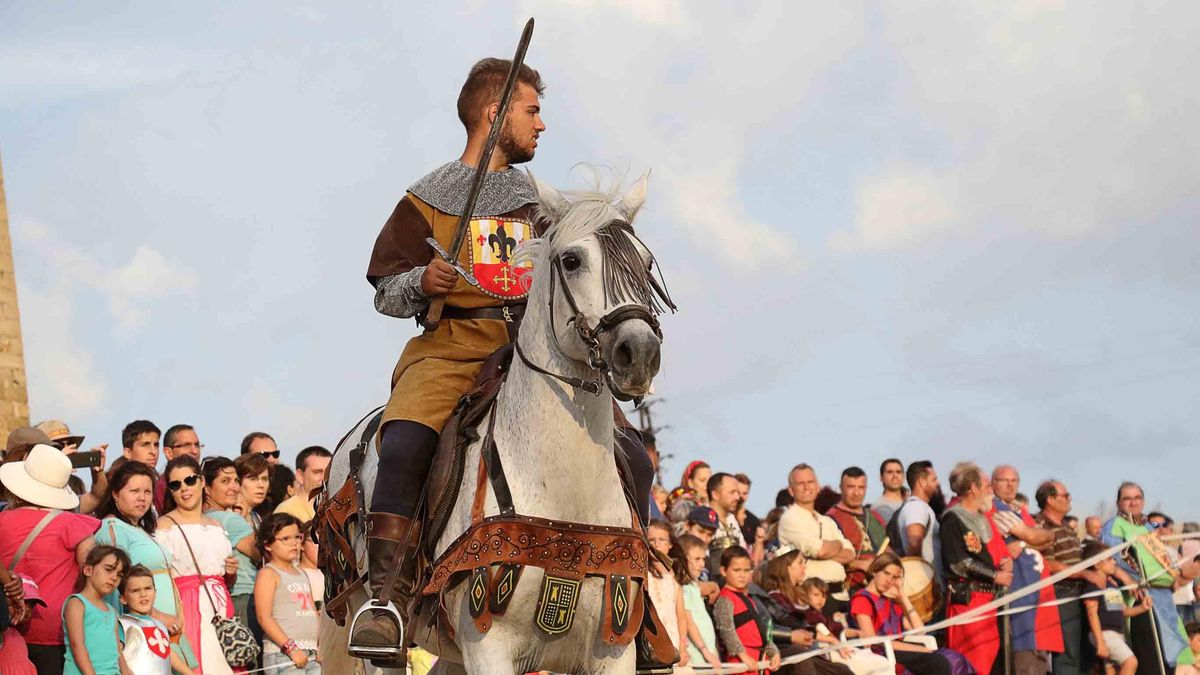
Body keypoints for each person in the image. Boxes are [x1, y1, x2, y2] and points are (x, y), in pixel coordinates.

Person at [351, 56, 655, 660]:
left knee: (634, 457)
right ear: (495, 114)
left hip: (529, 353)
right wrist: (423, 282)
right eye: (531, 111)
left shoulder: (541, 204)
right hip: (448, 351)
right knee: (406, 444)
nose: (541, 125)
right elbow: (384, 289)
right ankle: (385, 597)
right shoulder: (426, 199)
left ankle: (634, 608)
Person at [0, 444, 99, 674]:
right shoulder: (73, 524)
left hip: (9, 623)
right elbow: (92, 569)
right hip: (55, 630)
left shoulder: (2, 520)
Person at [92, 461, 197, 671]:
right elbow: (114, 585)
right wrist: (156, 615)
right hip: (141, 631)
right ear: (115, 494)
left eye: (148, 491)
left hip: (163, 629)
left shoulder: (138, 528)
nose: (142, 498)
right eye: (134, 491)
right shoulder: (113, 528)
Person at [1101, 481, 1200, 670]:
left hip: (1164, 597)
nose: (1133, 502)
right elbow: (1110, 562)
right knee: (1151, 658)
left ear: (1143, 501)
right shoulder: (1114, 526)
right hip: (1140, 599)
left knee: (1171, 658)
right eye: (1127, 498)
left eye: (1137, 498)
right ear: (1118, 503)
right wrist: (1132, 583)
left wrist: (1179, 576)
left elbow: (1160, 559)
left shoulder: (1147, 527)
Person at [157, 456, 239, 675]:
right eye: (176, 484)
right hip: (187, 606)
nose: (184, 488)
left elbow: (225, 579)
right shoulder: (165, 525)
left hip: (220, 606)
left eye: (190, 480)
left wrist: (231, 573)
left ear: (202, 482)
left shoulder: (216, 525)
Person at [940, 462, 1013, 675]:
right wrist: (995, 575)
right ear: (972, 488)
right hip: (968, 599)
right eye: (986, 486)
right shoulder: (953, 518)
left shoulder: (982, 518)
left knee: (988, 659)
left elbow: (985, 554)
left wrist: (1002, 563)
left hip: (988, 599)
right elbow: (958, 562)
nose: (990, 490)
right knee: (970, 661)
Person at [849, 552, 973, 675]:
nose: (889, 580)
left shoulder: (889, 602)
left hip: (901, 649)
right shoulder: (863, 599)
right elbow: (872, 640)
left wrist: (903, 598)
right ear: (874, 571)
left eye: (894, 577)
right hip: (883, 653)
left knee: (954, 658)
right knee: (940, 662)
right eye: (886, 573)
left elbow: (920, 631)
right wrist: (920, 649)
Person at [1034, 479, 1092, 675]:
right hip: (1060, 593)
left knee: (1081, 652)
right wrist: (1085, 573)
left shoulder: (1067, 527)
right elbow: (1048, 564)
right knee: (1067, 654)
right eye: (1065, 496)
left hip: (1077, 593)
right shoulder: (1041, 525)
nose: (1070, 499)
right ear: (1050, 499)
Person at [780, 464, 854, 610]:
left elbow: (850, 553)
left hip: (840, 594)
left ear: (818, 486)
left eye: (811, 482)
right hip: (811, 598)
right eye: (801, 483)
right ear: (791, 490)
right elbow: (819, 551)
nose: (807, 487)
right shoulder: (790, 518)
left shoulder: (827, 521)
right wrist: (837, 545)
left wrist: (829, 548)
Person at [208, 454, 268, 633]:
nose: (234, 487)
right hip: (244, 596)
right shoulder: (229, 519)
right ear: (206, 486)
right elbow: (264, 552)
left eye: (236, 481)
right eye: (225, 481)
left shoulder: (209, 518)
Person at [255, 514, 320, 675]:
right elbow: (264, 617)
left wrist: (321, 644)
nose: (294, 543)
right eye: (285, 538)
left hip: (312, 652)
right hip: (284, 655)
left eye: (297, 537)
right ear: (268, 544)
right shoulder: (268, 574)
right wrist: (290, 649)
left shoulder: (301, 573)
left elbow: (312, 611)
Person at [1081, 540, 1152, 675]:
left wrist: (1142, 608)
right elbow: (1092, 613)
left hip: (1116, 634)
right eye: (1109, 559)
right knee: (1131, 662)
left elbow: (1123, 611)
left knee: (1113, 671)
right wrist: (1100, 641)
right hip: (1104, 634)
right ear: (1097, 564)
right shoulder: (1093, 584)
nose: (1114, 562)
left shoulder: (1111, 585)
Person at [799, 578, 893, 675]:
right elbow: (817, 633)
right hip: (824, 654)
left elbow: (838, 629)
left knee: (880, 661)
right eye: (816, 595)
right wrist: (835, 642)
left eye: (824, 595)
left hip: (838, 648)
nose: (821, 599)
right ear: (805, 595)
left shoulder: (822, 615)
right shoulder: (804, 615)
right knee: (878, 664)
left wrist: (857, 632)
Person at [63, 545, 131, 675]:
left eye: (119, 575)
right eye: (108, 570)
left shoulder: (111, 610)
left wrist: (126, 671)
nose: (114, 577)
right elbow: (77, 645)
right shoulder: (77, 603)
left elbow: (117, 648)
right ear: (88, 570)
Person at [713, 546, 781, 672]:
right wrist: (743, 655)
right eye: (737, 570)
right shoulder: (725, 599)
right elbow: (727, 630)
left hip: (760, 661)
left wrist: (773, 652)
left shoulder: (749, 599)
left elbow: (763, 630)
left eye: (746, 570)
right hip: (741, 663)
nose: (742, 575)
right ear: (723, 571)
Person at [826, 467, 886, 595]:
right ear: (841, 488)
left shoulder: (876, 517)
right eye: (851, 487)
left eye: (861, 487)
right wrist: (860, 565)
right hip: (850, 591)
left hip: (882, 588)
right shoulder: (829, 519)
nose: (856, 493)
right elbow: (826, 558)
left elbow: (887, 549)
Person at [119, 564, 187, 675]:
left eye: (147, 588)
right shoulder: (123, 624)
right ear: (123, 598)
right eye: (135, 590)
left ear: (155, 593)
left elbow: (167, 653)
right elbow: (116, 654)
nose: (143, 594)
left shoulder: (160, 625)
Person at [34, 420, 110, 515]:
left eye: (70, 443)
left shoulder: (71, 489)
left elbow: (97, 497)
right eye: (58, 446)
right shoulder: (29, 486)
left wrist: (98, 473)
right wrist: (56, 466)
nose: (68, 449)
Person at [672, 534, 722, 671]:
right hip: (698, 654)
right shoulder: (684, 588)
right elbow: (688, 621)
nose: (702, 564)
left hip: (707, 652)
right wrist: (706, 652)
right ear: (683, 559)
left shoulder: (693, 586)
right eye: (697, 559)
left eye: (703, 559)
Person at [646, 521, 690, 669]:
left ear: (670, 544)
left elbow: (681, 616)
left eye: (662, 539)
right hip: (652, 638)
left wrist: (682, 646)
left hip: (673, 638)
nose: (656, 544)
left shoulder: (674, 576)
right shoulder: (643, 573)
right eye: (651, 540)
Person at [892, 460, 944, 584]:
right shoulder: (916, 507)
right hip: (928, 586)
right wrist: (921, 580)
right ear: (922, 482)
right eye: (934, 479)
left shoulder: (921, 507)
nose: (938, 483)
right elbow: (914, 544)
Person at [274, 447, 332, 523]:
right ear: (300, 476)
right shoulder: (286, 511)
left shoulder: (337, 507)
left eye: (329, 471)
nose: (325, 477)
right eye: (317, 472)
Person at [0, 572, 40, 675]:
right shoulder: (4, 633)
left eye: (32, 605)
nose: (26, 609)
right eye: (24, 602)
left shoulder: (18, 634)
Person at [158, 424, 204, 513]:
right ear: (168, 453)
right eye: (187, 445)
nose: (195, 451)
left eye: (197, 445)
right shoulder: (162, 486)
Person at [708, 473, 749, 559]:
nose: (737, 497)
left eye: (737, 492)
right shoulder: (703, 518)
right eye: (732, 492)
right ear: (715, 495)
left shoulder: (731, 519)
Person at [668, 461, 712, 525]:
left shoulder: (715, 504)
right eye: (702, 480)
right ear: (690, 482)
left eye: (710, 480)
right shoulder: (683, 506)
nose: (707, 484)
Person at [871, 459, 905, 524]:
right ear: (881, 478)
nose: (895, 475)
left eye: (898, 472)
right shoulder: (880, 507)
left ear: (904, 476)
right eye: (890, 472)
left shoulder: (909, 502)